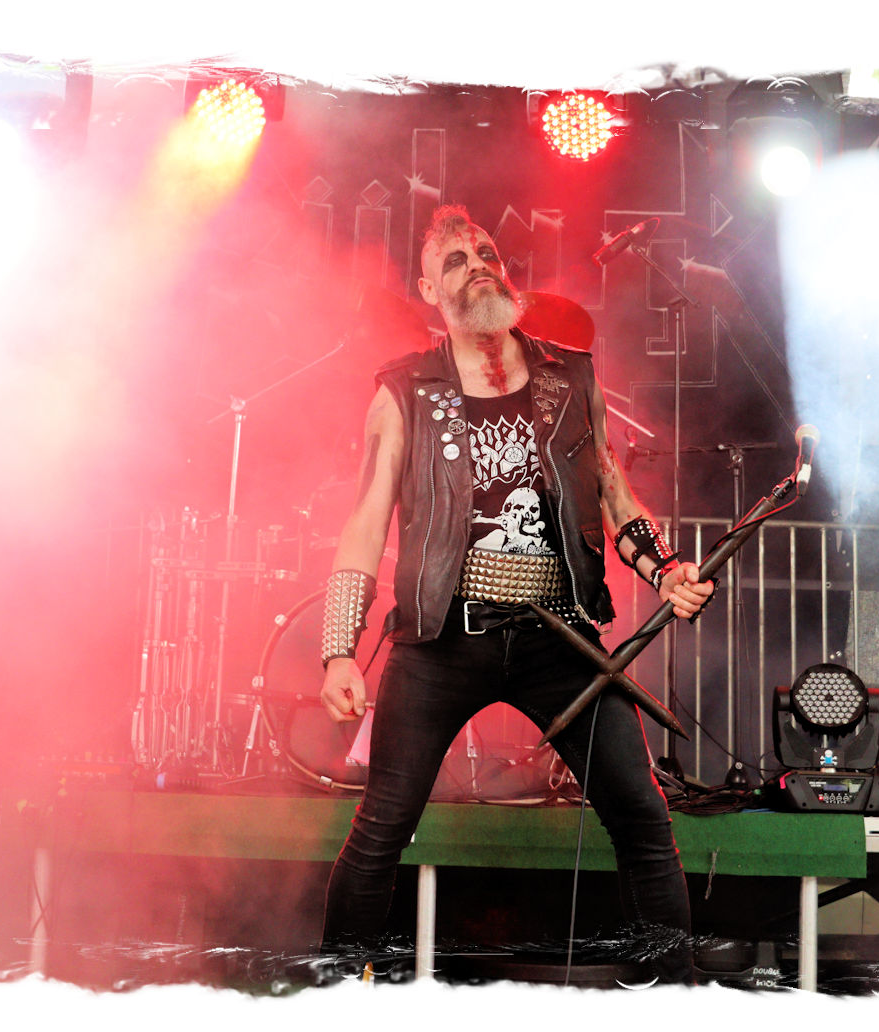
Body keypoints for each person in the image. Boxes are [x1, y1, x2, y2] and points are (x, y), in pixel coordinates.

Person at [316, 205, 715, 984]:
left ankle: (672, 996)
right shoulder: (404, 392)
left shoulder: (570, 377)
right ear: (429, 289)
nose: (477, 266)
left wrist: (664, 569)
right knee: (380, 827)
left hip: (556, 637)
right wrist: (338, 650)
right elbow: (364, 524)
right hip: (441, 641)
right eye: (456, 260)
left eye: (486, 253)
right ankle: (333, 996)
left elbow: (611, 490)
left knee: (641, 818)